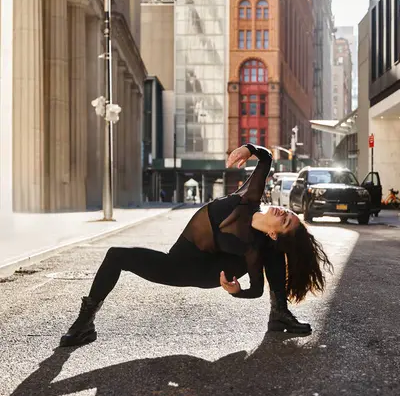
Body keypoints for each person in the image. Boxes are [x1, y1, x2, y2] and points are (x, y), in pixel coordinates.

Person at [59, 144, 332, 347]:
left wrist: (236, 291)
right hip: (180, 263)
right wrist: (247, 149)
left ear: (275, 233)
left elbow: (256, 291)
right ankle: (86, 322)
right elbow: (267, 157)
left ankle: (279, 314)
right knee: (116, 256)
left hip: (205, 274)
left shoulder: (253, 248)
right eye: (289, 214)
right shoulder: (250, 198)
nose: (284, 214)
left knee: (269, 250)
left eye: (285, 223)